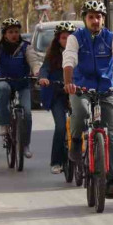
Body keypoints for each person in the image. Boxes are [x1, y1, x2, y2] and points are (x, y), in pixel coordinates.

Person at [63, 0, 113, 199]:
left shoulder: (112, 38)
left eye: (99, 17)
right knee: (82, 112)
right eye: (91, 17)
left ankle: (111, 181)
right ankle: (76, 141)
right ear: (84, 19)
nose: (95, 20)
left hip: (106, 90)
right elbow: (69, 60)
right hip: (80, 87)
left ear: (103, 19)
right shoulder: (75, 38)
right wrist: (69, 82)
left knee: (110, 133)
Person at [0, 18, 41, 159]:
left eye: (16, 32)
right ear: (4, 34)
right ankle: (4, 124)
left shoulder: (26, 47)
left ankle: (25, 145)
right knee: (3, 89)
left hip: (22, 83)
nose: (14, 34)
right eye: (10, 32)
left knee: (27, 114)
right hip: (2, 81)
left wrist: (37, 72)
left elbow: (34, 61)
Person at [38, 22, 76, 174]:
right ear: (58, 40)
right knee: (61, 127)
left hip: (76, 94)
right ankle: (56, 162)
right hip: (57, 94)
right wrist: (43, 78)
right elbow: (44, 69)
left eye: (70, 38)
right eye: (63, 38)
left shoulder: (81, 53)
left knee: (82, 125)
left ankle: (83, 155)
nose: (66, 41)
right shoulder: (52, 55)